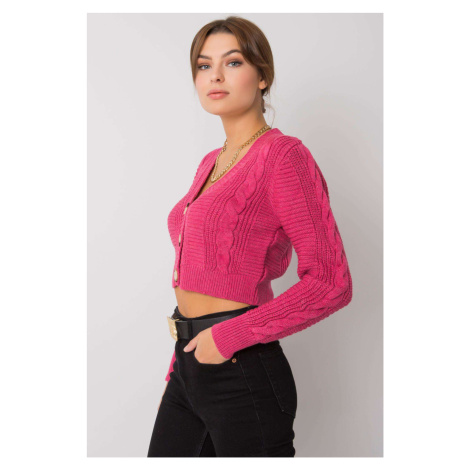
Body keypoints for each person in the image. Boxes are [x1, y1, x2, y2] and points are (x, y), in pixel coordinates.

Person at [147, 15, 353, 458]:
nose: (215, 76)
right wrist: (181, 364)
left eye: (233, 62)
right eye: (204, 66)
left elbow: (331, 281)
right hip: (188, 365)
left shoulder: (283, 156)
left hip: (241, 368)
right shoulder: (211, 161)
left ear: (262, 76)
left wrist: (228, 337)